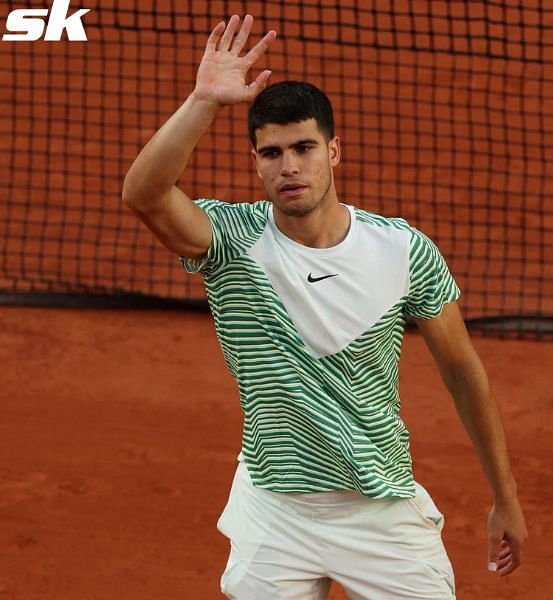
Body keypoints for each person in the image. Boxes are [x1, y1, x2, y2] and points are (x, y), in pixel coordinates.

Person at [121, 15, 526, 598]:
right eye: (272, 152)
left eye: (304, 148)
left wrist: (505, 499)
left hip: (380, 508)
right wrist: (204, 100)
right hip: (275, 510)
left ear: (334, 151)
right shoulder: (229, 241)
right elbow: (143, 194)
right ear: (255, 162)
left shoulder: (403, 249)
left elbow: (464, 373)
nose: (289, 167)